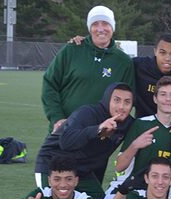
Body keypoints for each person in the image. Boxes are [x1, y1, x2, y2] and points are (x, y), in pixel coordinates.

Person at [34, 82, 135, 199]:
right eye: (116, 100)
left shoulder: (128, 124)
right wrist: (98, 129)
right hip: (53, 165)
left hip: (83, 170)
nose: (121, 107)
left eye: (127, 102)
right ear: (107, 100)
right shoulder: (88, 112)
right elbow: (66, 142)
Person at [42, 5, 134, 133]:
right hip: (64, 129)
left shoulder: (123, 62)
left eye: (105, 24)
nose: (100, 29)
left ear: (112, 27)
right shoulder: (71, 50)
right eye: (95, 24)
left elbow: (128, 99)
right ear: (90, 28)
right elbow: (50, 84)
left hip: (98, 133)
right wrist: (57, 118)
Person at [104, 76, 171, 199]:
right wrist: (135, 145)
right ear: (155, 99)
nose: (168, 99)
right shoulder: (141, 124)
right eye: (163, 94)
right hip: (132, 189)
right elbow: (119, 166)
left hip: (160, 193)